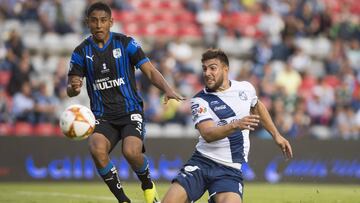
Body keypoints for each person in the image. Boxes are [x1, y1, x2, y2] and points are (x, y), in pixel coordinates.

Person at [66, 2, 183, 203]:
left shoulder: (125, 43)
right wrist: (73, 88)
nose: (99, 25)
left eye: (103, 20)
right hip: (102, 116)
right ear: (88, 23)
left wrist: (167, 89)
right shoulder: (80, 52)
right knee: (96, 148)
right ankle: (123, 200)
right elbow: (71, 88)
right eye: (94, 21)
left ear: (111, 22)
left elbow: (150, 71)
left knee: (130, 152)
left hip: (130, 112)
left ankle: (147, 184)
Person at [162, 49, 293, 203]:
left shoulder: (245, 88)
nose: (207, 73)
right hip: (201, 162)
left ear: (225, 69)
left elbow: (257, 106)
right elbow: (208, 135)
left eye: (212, 68)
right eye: (204, 68)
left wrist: (276, 135)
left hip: (229, 170)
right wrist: (236, 124)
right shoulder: (199, 100)